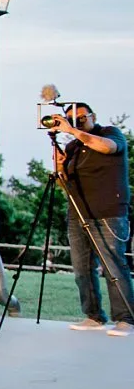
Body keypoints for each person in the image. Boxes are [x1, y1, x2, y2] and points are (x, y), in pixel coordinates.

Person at [49, 101, 132, 337]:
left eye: (81, 118)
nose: (76, 123)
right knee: (81, 268)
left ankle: (126, 319)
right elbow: (62, 181)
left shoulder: (109, 133)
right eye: (71, 120)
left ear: (93, 116)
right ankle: (93, 316)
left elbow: (107, 148)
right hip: (78, 212)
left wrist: (73, 130)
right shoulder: (74, 146)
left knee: (113, 265)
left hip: (108, 211)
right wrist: (60, 164)